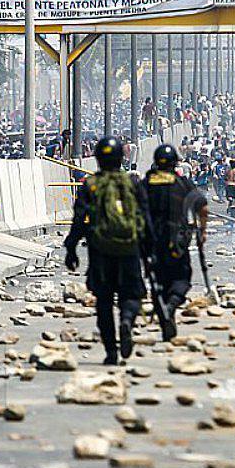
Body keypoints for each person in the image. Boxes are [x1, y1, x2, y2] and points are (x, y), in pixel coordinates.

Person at [64, 136, 152, 366]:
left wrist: (71, 248)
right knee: (131, 295)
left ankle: (111, 352)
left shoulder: (91, 185)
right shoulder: (132, 183)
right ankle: (126, 320)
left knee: (103, 302)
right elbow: (145, 217)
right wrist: (148, 251)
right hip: (129, 249)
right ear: (121, 158)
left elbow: (79, 220)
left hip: (100, 251)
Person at [141, 143, 209, 342]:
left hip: (151, 242)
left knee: (158, 282)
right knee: (181, 279)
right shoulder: (181, 183)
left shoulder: (146, 183)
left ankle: (165, 316)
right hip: (175, 241)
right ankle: (170, 307)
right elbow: (202, 208)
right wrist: (202, 231)